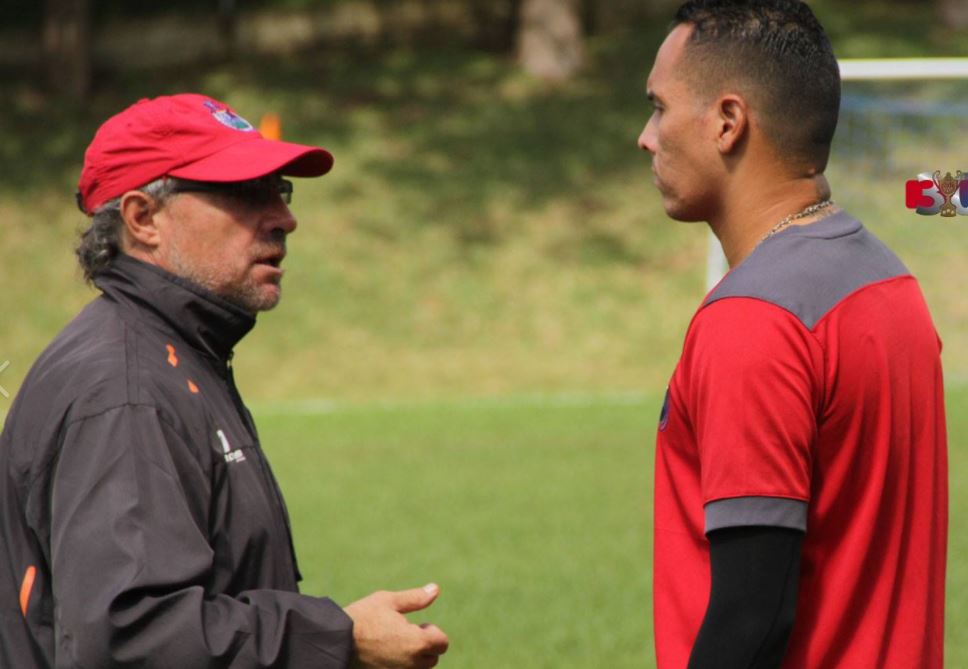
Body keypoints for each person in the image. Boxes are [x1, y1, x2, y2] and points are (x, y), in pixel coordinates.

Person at [0, 93, 450, 669]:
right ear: (143, 219)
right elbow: (128, 638)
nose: (285, 218)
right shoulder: (126, 388)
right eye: (245, 191)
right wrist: (338, 636)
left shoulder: (172, 353)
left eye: (279, 190)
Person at [640, 2, 947, 667]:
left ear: (728, 121)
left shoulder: (753, 320)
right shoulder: (891, 285)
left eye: (659, 108)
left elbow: (753, 621)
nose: (645, 136)